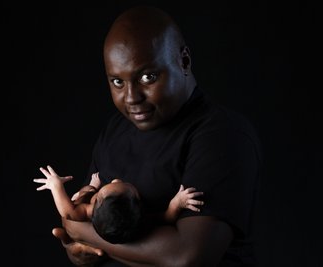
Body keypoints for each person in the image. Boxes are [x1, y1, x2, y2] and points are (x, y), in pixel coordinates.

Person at [51, 5, 262, 267]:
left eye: (147, 77)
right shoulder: (115, 131)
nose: (131, 98)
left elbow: (187, 257)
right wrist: (79, 248)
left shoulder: (222, 135)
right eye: (118, 82)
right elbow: (84, 225)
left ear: (184, 61)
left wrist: (81, 232)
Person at [34, 165, 204, 244]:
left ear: (94, 202)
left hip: (86, 208)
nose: (116, 179)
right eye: (119, 183)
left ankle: (91, 188)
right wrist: (177, 202)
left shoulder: (86, 210)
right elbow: (167, 217)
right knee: (85, 191)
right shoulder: (142, 217)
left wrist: (55, 185)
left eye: (113, 184)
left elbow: (67, 212)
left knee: (81, 194)